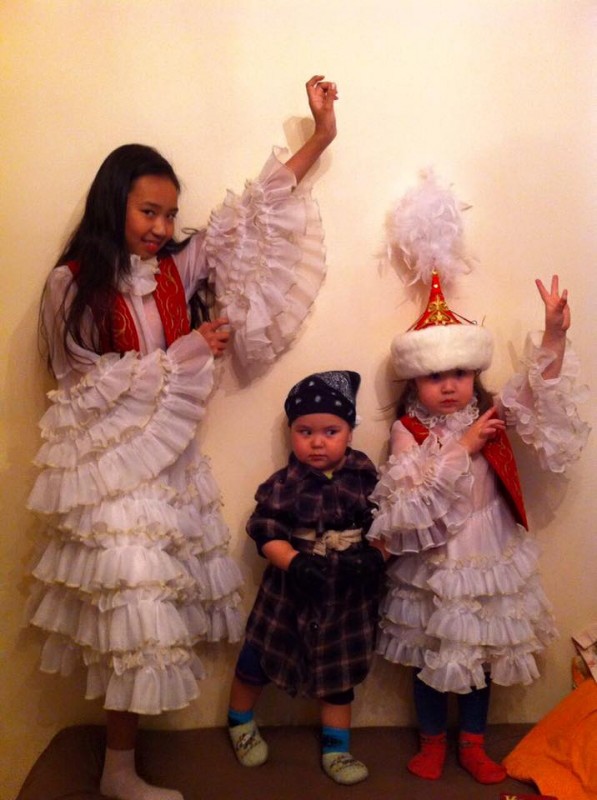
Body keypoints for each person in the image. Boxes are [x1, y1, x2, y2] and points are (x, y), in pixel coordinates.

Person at [26, 76, 338, 800]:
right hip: (105, 472)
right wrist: (186, 352)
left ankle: (119, 769)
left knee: (152, 613)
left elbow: (255, 212)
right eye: (148, 210)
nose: (162, 227)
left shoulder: (177, 267)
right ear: (114, 203)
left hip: (166, 470)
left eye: (169, 213)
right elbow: (83, 384)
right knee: (130, 606)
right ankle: (118, 771)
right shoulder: (72, 283)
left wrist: (319, 139)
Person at [367, 267, 589, 785]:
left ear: (474, 375)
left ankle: (472, 742)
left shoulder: (490, 413)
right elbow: (411, 497)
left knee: (480, 656)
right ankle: (432, 741)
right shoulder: (407, 430)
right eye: (435, 376)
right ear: (414, 381)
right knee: (431, 654)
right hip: (433, 561)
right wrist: (463, 447)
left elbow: (536, 392)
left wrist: (554, 335)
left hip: (486, 552)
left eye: (460, 373)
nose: (449, 386)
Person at [226, 371, 386, 785]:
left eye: (331, 431)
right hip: (290, 591)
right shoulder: (285, 483)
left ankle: (337, 747)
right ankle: (240, 721)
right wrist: (293, 562)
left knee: (338, 674)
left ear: (349, 432)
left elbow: (390, 524)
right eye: (305, 431)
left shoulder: (367, 477)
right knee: (257, 659)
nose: (317, 442)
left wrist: (374, 556)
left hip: (346, 596)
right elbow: (265, 530)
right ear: (292, 433)